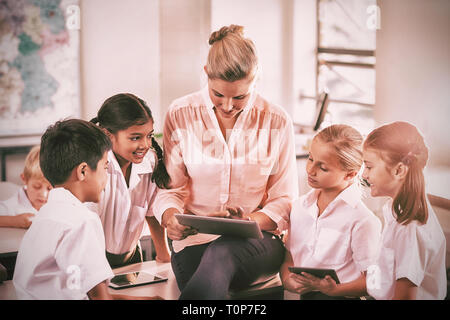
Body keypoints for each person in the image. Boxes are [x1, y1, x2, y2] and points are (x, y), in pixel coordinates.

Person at [154, 25, 298, 299]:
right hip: (192, 242)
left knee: (221, 254)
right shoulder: (180, 113)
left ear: (256, 80)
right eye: (218, 94)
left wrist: (249, 220)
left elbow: (285, 200)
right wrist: (171, 219)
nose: (228, 105)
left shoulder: (277, 121)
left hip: (257, 243)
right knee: (211, 267)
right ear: (206, 73)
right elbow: (170, 190)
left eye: (240, 97)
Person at [13, 119, 161, 300]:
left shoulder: (47, 213)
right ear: (83, 171)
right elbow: (100, 298)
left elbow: (94, 294)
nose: (106, 177)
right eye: (105, 167)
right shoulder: (82, 220)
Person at [280, 124, 382, 300]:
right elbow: (289, 254)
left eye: (323, 168)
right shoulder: (298, 208)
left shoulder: (363, 220)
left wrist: (334, 291)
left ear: (350, 174)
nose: (310, 170)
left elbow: (373, 282)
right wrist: (287, 278)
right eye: (310, 159)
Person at [363, 121, 446, 300]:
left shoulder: (410, 227)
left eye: (369, 167)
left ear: (399, 170)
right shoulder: (397, 210)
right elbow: (383, 277)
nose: (364, 174)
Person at [89, 93, 171, 268]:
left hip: (132, 258)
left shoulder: (150, 161)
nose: (145, 144)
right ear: (108, 135)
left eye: (148, 135)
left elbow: (151, 213)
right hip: (95, 262)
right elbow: (87, 229)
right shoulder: (95, 168)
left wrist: (164, 255)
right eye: (135, 138)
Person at [0, 145, 52, 229]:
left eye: (50, 188)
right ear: (25, 179)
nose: (44, 194)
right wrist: (14, 221)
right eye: (37, 186)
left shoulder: (59, 199)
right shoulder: (10, 206)